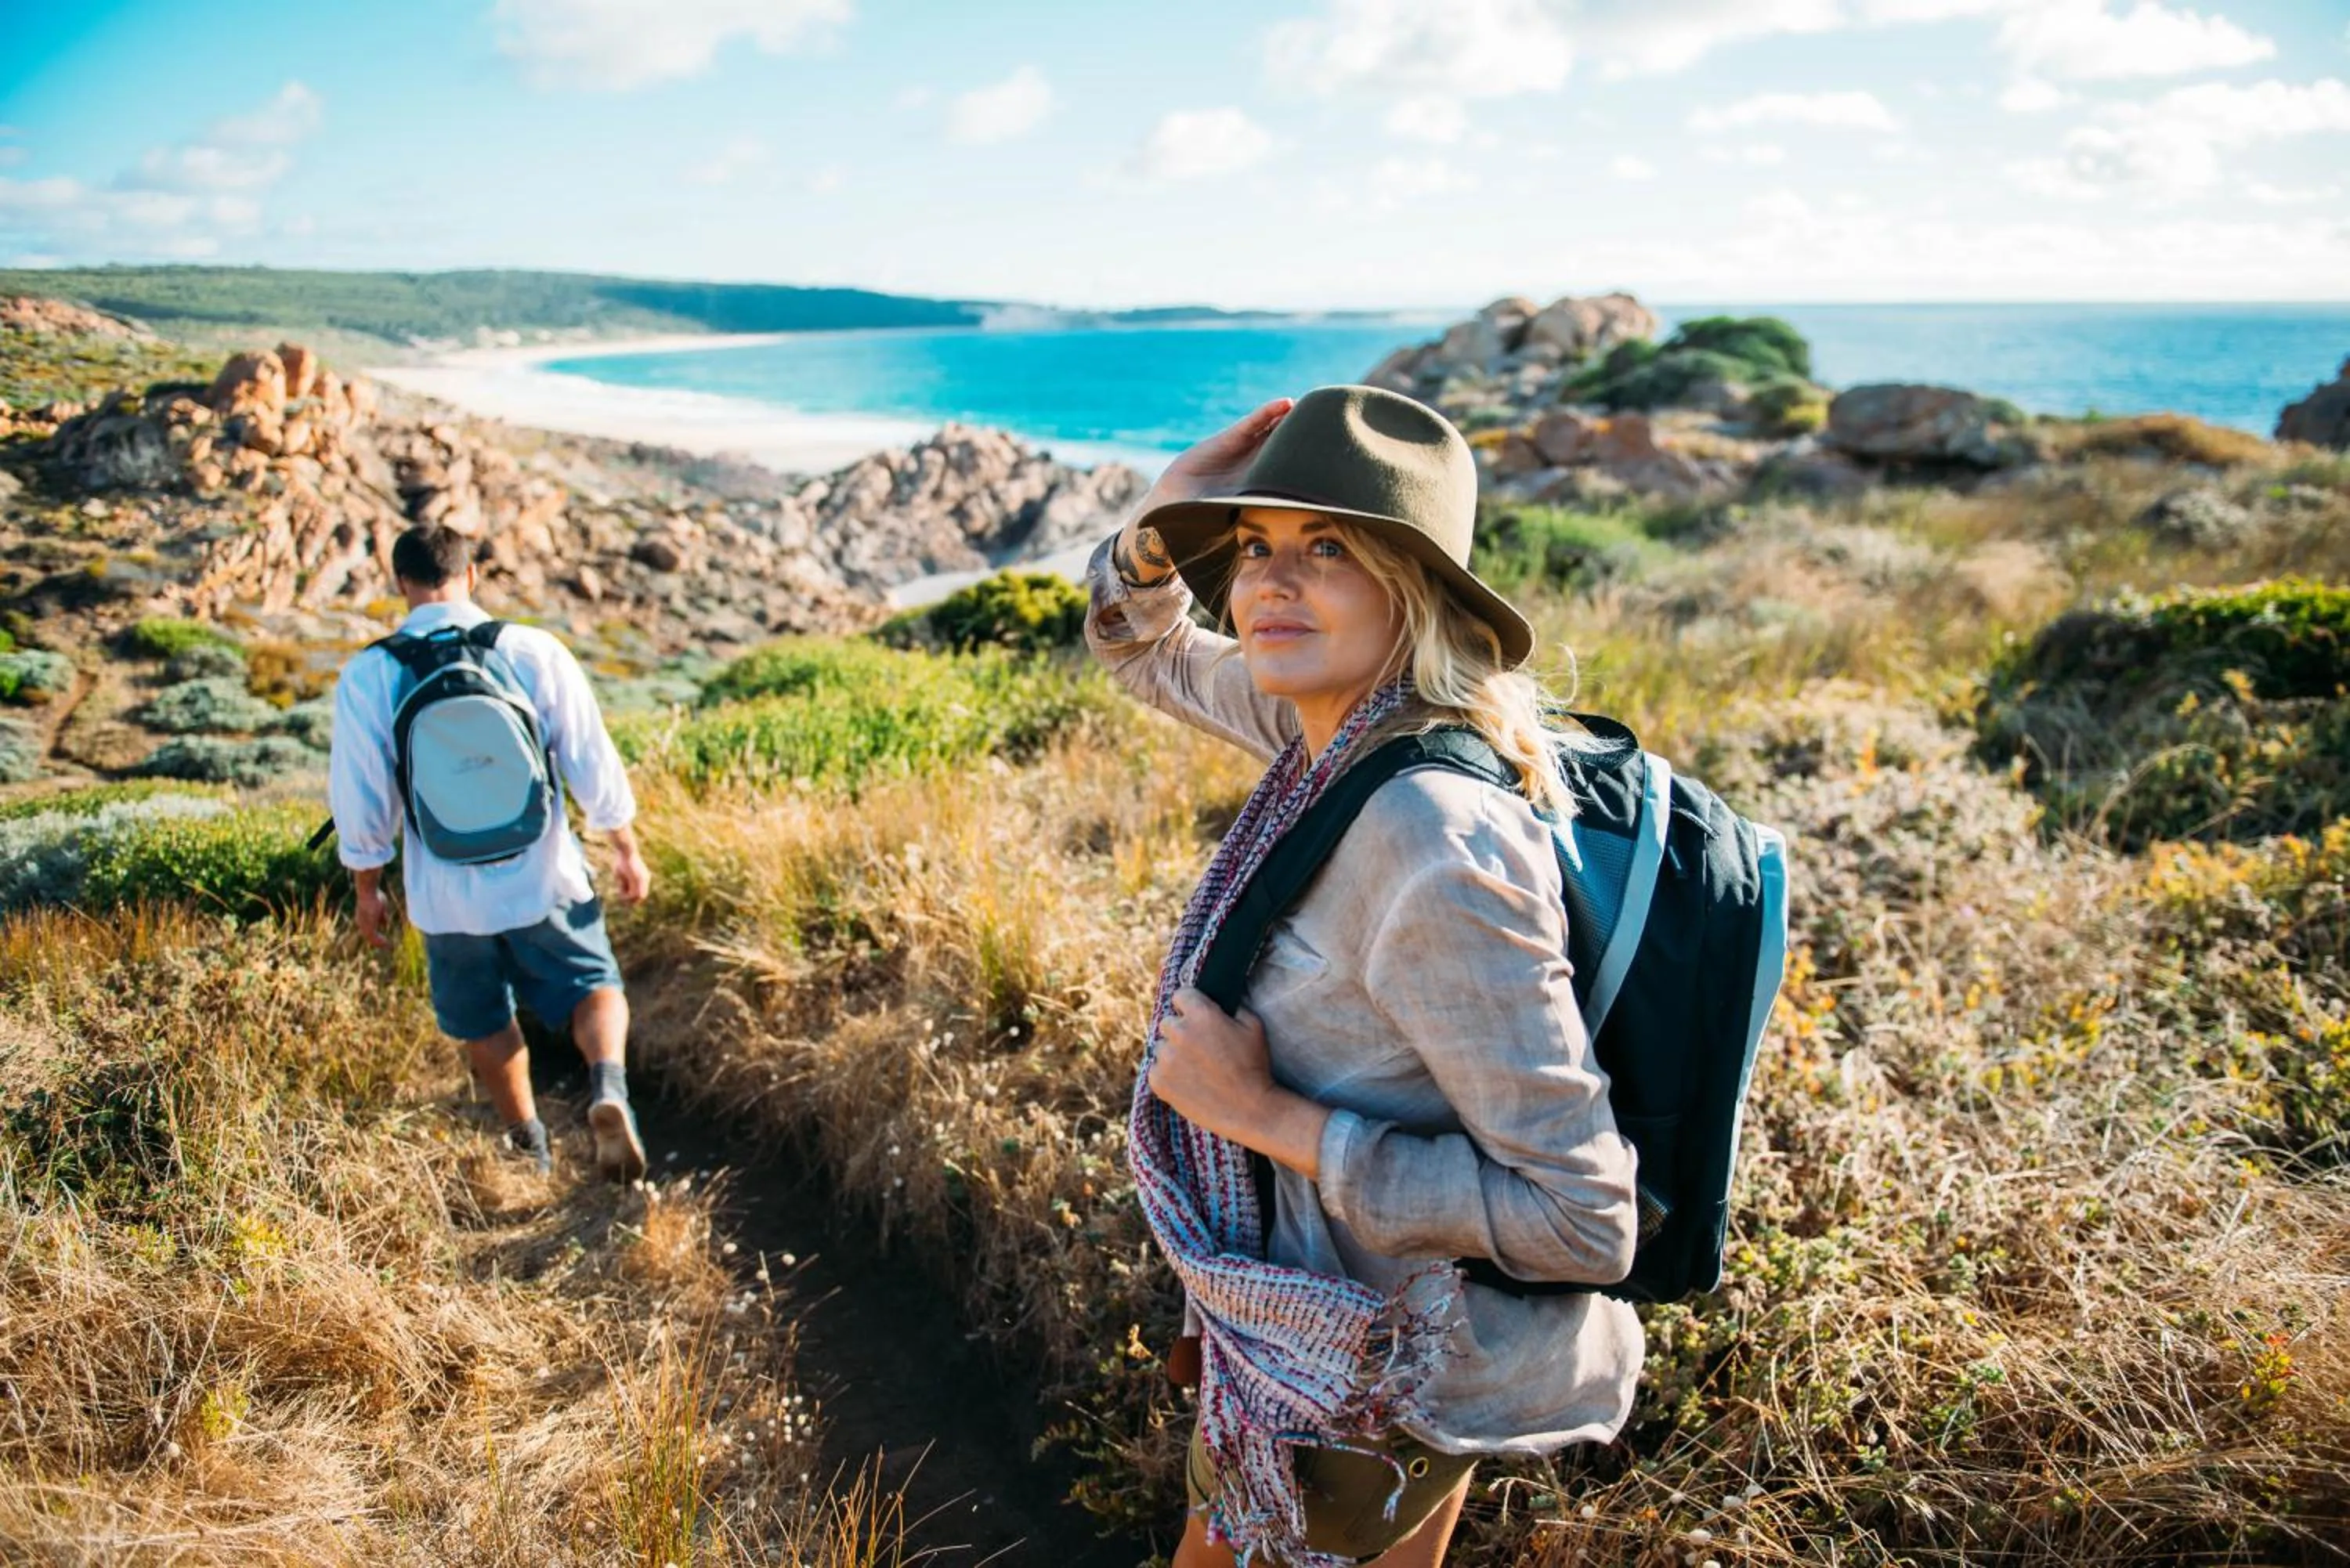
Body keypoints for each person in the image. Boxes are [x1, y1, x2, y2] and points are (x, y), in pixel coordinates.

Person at [1086, 386, 1643, 1567]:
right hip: (1352, 1341)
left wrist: (1266, 1118)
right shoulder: (1334, 733)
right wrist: (1157, 525)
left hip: (1365, 1375)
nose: (1270, 587)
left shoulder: (1429, 834)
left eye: (1327, 549)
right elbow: (1142, 647)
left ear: (1413, 585)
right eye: (1252, 550)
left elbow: (1585, 1221)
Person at [329, 522, 651, 1181]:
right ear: (470, 576)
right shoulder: (531, 648)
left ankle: (528, 1148)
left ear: (402, 585)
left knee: (484, 1017)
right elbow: (591, 757)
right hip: (546, 875)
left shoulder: (370, 672)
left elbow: (360, 798)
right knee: (593, 982)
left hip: (445, 895)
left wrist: (369, 889)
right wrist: (624, 846)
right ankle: (610, 1089)